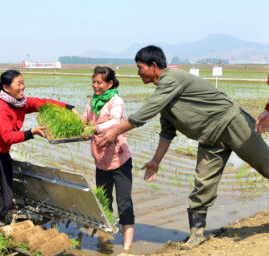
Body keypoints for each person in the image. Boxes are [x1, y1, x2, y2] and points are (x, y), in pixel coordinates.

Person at [97, 45, 269, 249]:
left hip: (231, 123)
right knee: (202, 186)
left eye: (140, 67)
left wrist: (116, 130)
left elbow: (146, 111)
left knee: (266, 165)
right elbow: (167, 132)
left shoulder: (171, 79)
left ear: (153, 66)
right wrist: (155, 161)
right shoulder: (165, 96)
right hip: (210, 139)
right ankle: (197, 235)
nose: (138, 73)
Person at [0, 70, 75, 250]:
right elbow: (7, 137)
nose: (22, 86)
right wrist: (31, 132)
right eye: (18, 83)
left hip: (1, 152)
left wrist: (68, 107)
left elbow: (43, 103)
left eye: (23, 82)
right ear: (6, 87)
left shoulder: (20, 103)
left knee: (7, 192)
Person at [82, 66, 134, 254]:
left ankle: (127, 248)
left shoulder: (115, 101)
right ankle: (105, 240)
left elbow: (115, 121)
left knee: (124, 202)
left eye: (99, 82)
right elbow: (85, 121)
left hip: (119, 161)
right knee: (103, 201)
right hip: (100, 160)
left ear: (109, 83)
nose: (95, 85)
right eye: (93, 81)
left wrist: (95, 128)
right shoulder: (92, 102)